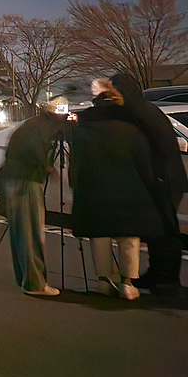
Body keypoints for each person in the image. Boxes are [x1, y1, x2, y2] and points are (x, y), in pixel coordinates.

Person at [70, 80, 164, 300]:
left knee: (100, 236)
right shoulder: (131, 129)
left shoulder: (83, 131)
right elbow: (143, 164)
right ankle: (128, 283)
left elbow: (76, 166)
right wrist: (150, 186)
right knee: (129, 236)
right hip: (129, 189)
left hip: (95, 190)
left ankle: (104, 281)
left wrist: (77, 187)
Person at [109, 73, 187, 295]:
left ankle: (166, 279)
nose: (113, 97)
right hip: (164, 177)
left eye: (114, 92)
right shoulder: (143, 109)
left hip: (162, 179)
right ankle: (158, 274)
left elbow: (157, 147)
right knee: (157, 229)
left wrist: (157, 176)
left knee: (164, 231)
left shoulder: (140, 113)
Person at [0, 99, 66, 297]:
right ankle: (35, 283)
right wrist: (47, 167)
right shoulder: (45, 127)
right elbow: (33, 149)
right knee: (31, 233)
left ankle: (24, 278)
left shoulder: (34, 123)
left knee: (20, 233)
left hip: (12, 179)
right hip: (26, 181)